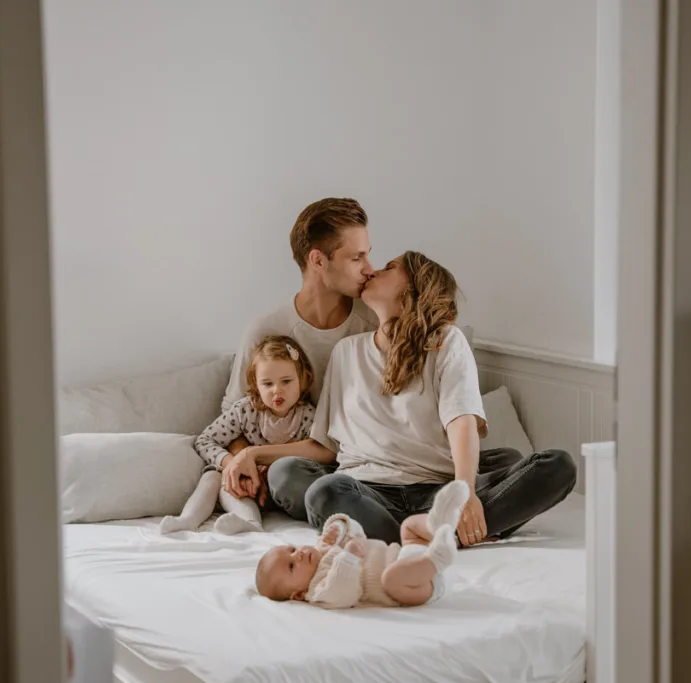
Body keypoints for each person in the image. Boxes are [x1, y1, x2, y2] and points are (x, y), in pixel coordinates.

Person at [232, 251, 578, 546]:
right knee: (310, 485)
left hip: (435, 489)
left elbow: (461, 419)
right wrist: (253, 452)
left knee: (555, 466)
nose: (372, 270)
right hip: (364, 489)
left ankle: (413, 530)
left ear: (411, 289)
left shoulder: (445, 341)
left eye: (388, 267)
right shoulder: (346, 352)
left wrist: (464, 492)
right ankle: (437, 533)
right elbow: (326, 448)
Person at [217, 198, 377, 502]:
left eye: (367, 255)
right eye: (357, 258)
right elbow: (233, 412)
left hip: (367, 467)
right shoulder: (266, 330)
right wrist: (246, 463)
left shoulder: (374, 322)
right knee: (286, 476)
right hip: (299, 470)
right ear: (318, 260)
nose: (369, 269)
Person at [159, 336, 316, 534]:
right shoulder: (245, 410)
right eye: (267, 384)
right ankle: (189, 519)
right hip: (244, 488)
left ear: (303, 379)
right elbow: (205, 440)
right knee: (214, 475)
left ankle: (251, 523)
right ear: (256, 385)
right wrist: (233, 464)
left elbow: (318, 455)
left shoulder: (309, 416)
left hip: (280, 492)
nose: (277, 390)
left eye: (286, 381)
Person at [255, 480, 469, 608]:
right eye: (292, 566)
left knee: (409, 527)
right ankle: (438, 558)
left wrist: (340, 526)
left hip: (408, 553)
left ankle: (439, 524)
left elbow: (358, 535)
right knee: (390, 578)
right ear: (298, 595)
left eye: (292, 550)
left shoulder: (324, 547)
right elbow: (345, 594)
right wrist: (348, 558)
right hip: (414, 586)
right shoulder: (318, 590)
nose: (298, 554)